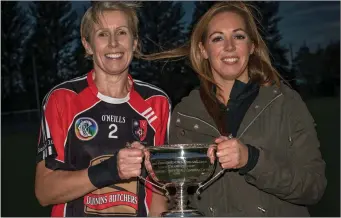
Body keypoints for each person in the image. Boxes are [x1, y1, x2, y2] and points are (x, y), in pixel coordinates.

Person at [146, 1, 327, 216]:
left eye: (239, 36)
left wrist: (251, 160)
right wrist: (163, 177)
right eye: (218, 38)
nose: (229, 46)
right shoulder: (185, 114)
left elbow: (314, 188)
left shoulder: (284, 103)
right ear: (203, 50)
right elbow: (180, 197)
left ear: (252, 46)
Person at [34, 2, 169, 217]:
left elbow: (160, 189)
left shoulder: (157, 102)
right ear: (87, 45)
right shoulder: (62, 99)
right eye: (103, 34)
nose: (114, 43)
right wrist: (110, 170)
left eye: (122, 33)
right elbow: (44, 191)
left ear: (135, 43)